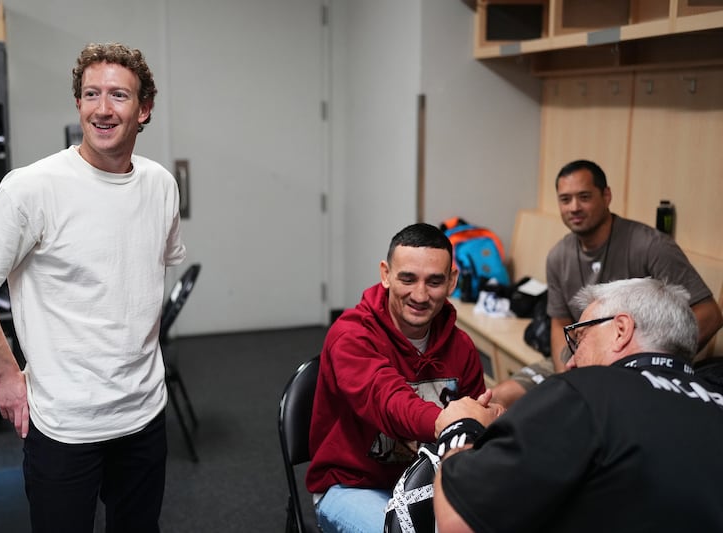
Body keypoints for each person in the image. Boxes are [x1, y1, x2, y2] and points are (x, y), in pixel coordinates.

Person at [0, 43, 185, 533]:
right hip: (64, 424)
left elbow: (141, 279)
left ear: (144, 109)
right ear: (78, 103)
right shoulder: (32, 188)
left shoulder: (161, 185)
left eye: (119, 95)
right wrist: (6, 374)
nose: (103, 108)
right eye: (91, 94)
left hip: (143, 414)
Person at [433, 278, 723, 532]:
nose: (570, 362)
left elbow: (460, 521)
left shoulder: (589, 389)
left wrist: (460, 428)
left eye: (579, 339)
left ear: (621, 330)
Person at [492, 159, 722, 407]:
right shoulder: (558, 255)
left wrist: (648, 361)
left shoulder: (650, 246)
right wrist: (568, 378)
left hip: (634, 369)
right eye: (565, 199)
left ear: (606, 195)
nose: (574, 207)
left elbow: (710, 314)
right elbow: (560, 322)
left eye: (584, 196)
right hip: (580, 360)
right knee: (499, 397)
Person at [306, 222, 486, 533]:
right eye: (407, 279)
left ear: (452, 281)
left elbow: (475, 435)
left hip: (432, 483)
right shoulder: (350, 336)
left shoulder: (462, 347)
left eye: (434, 282)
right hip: (353, 485)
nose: (420, 295)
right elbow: (386, 398)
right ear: (386, 274)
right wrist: (452, 422)